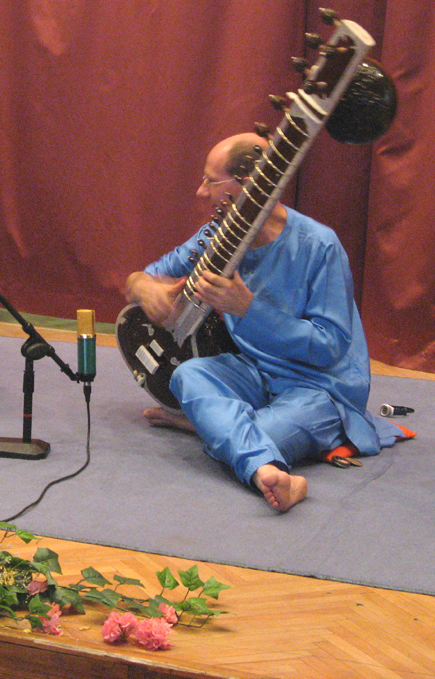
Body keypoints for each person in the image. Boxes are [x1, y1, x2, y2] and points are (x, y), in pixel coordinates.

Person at [125, 132, 406, 512]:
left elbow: (329, 348)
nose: (200, 192)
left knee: (267, 431)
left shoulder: (319, 245)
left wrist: (247, 308)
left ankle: (244, 452)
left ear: (247, 186)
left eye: (211, 181)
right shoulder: (220, 238)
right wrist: (145, 289)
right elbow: (145, 277)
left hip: (320, 388)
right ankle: (246, 448)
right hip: (254, 373)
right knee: (187, 375)